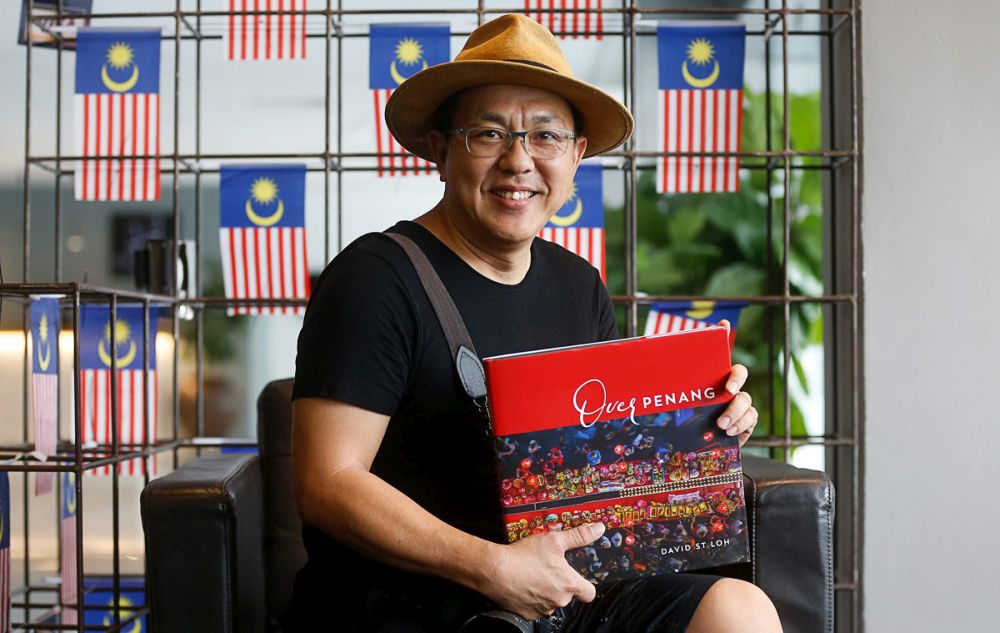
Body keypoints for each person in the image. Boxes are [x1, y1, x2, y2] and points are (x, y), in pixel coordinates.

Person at [285, 14, 781, 633]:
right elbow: (327, 482)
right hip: (417, 604)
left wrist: (705, 419)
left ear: (575, 158)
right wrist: (492, 567)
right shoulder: (375, 278)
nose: (519, 161)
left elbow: (607, 454)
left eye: (545, 137)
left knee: (740, 609)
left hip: (568, 590)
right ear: (441, 151)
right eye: (489, 134)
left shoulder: (579, 285)